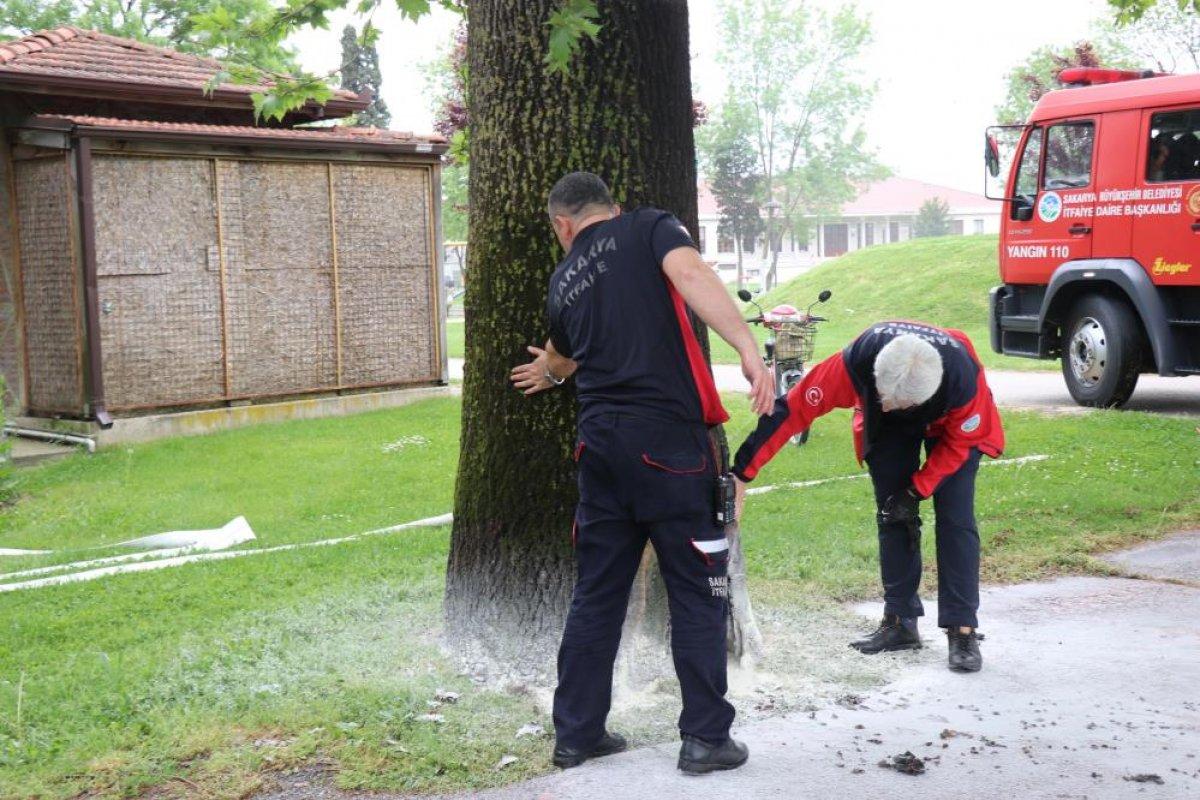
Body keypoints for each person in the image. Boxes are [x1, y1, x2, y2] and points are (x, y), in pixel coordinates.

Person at [510, 171, 773, 774]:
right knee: (699, 590)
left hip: (599, 451)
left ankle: (576, 735)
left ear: (563, 225)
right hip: (669, 445)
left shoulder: (561, 281)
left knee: (597, 594)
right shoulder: (648, 227)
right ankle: (706, 738)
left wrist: (549, 372)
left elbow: (565, 355)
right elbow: (691, 275)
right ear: (613, 208)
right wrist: (746, 348)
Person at [731, 321, 1004, 673]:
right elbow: (794, 410)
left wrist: (917, 489)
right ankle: (900, 622)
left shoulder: (963, 384)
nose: (887, 406)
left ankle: (962, 629)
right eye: (882, 397)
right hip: (888, 421)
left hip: (951, 428)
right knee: (892, 511)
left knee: (956, 518)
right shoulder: (857, 361)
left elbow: (961, 446)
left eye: (895, 403)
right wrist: (742, 472)